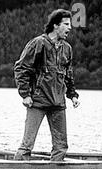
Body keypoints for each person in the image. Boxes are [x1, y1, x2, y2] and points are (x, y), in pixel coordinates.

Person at [13, 9, 80, 161]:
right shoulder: (38, 43)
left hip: (58, 103)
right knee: (27, 145)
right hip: (38, 101)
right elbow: (21, 68)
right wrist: (25, 94)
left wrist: (72, 95)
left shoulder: (67, 49)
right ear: (56, 25)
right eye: (66, 24)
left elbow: (68, 74)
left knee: (61, 146)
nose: (69, 28)